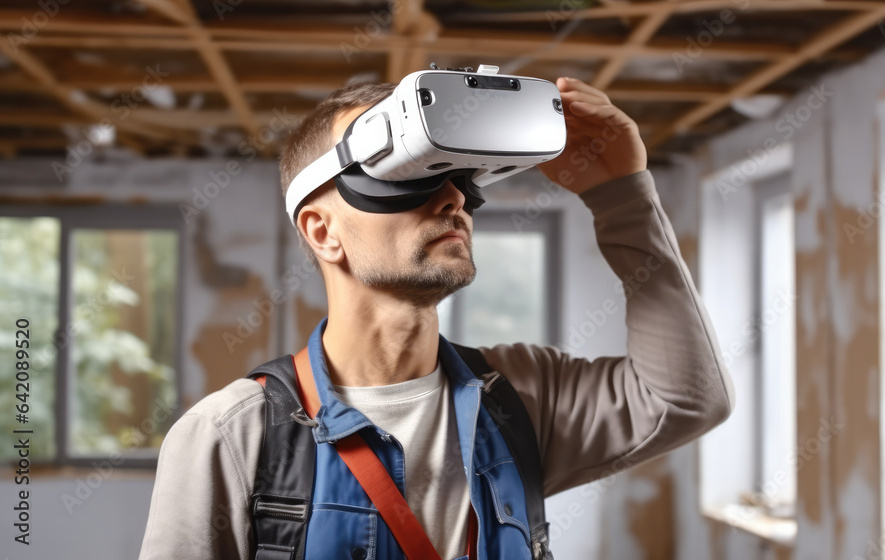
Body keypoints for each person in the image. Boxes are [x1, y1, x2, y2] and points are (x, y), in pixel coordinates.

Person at [138, 75, 734, 560]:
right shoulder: (233, 436)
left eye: (460, 179)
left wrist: (622, 193)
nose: (453, 200)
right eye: (406, 174)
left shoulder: (521, 396)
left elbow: (686, 398)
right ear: (322, 232)